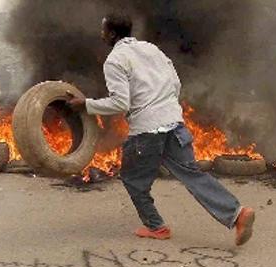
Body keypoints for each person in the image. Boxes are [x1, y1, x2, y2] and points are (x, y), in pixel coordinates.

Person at [68, 14, 255, 246]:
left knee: (132, 179)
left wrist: (86, 104)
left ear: (112, 34)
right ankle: (238, 214)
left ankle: (157, 227)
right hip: (174, 123)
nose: (101, 34)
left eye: (103, 30)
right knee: (192, 174)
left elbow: (120, 103)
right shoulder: (151, 49)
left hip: (146, 130)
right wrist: (166, 108)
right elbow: (175, 83)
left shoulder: (115, 60)